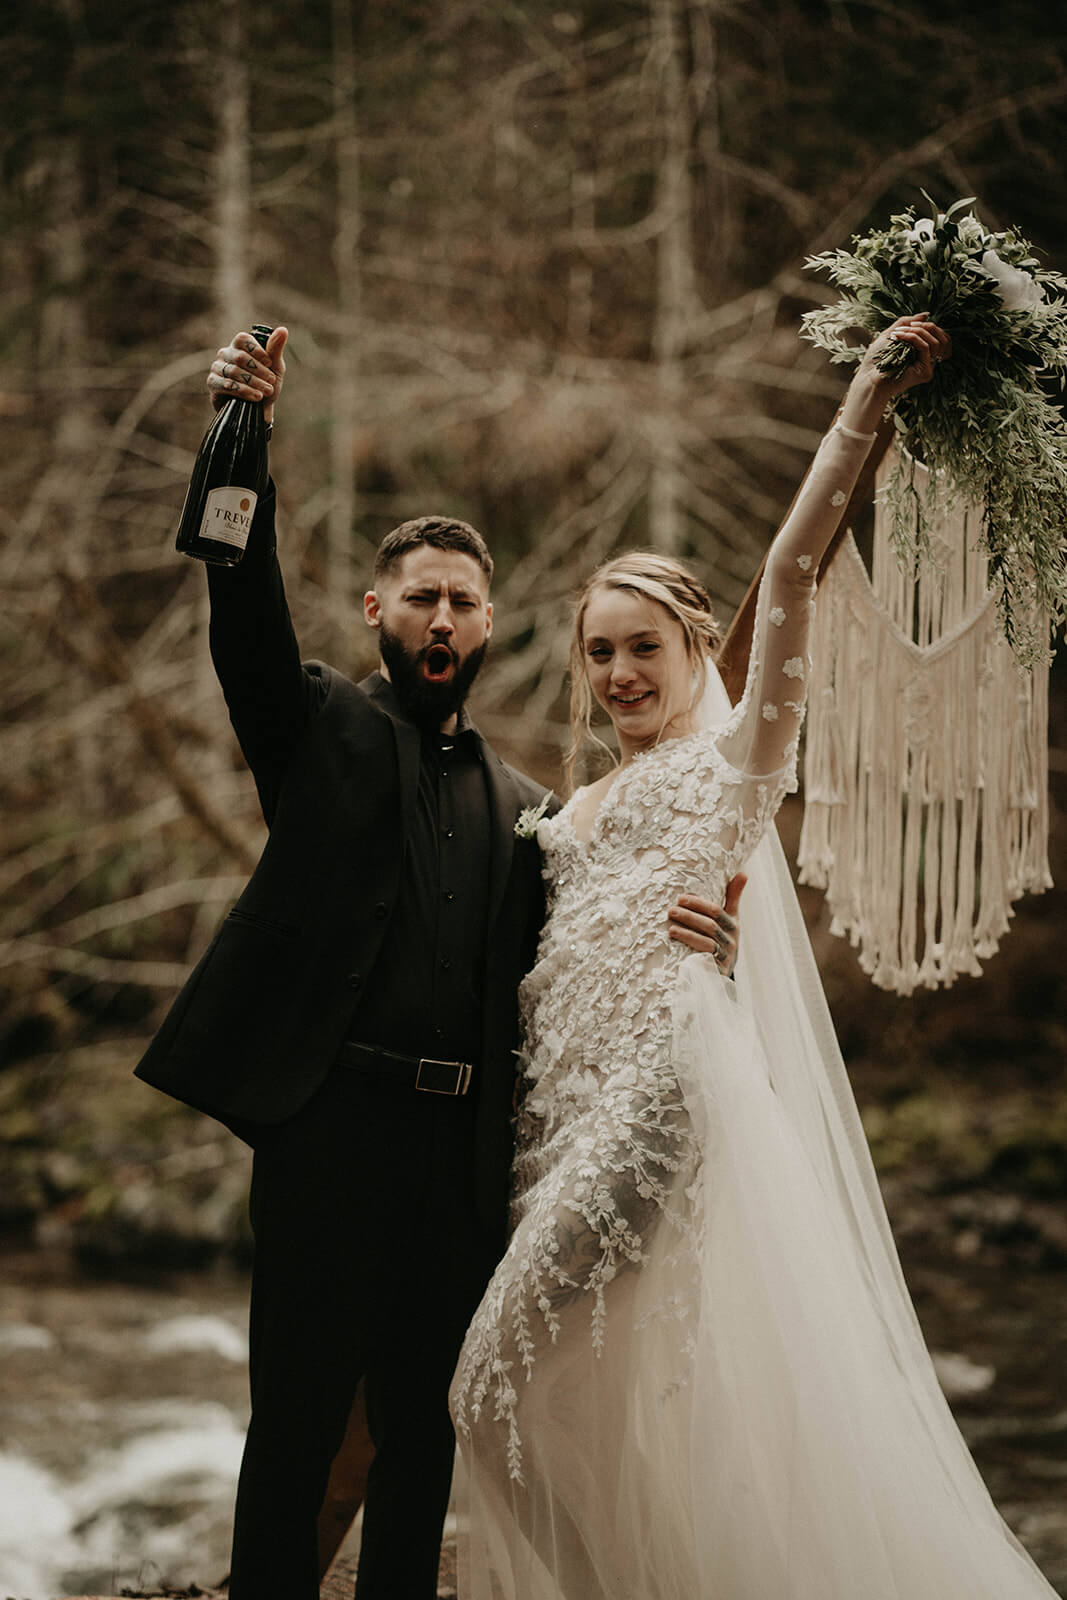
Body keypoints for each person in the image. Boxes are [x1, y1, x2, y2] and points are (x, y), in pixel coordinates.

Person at [450, 314, 1060, 1598]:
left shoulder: (729, 773)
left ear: (687, 652)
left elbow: (787, 577)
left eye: (644, 647)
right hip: (549, 1121)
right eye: (599, 651)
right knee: (580, 1405)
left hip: (659, 1094)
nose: (620, 671)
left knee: (484, 1376)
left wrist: (864, 401)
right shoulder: (570, 809)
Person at [133, 325, 742, 1600]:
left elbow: (599, 942)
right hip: (326, 1132)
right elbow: (240, 603)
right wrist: (238, 434)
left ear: (488, 623)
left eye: (465, 600)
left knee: (422, 1436)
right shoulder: (316, 728)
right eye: (421, 596)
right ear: (380, 611)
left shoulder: (524, 804)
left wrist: (714, 941)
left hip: (462, 1168)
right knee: (294, 1429)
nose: (444, 616)